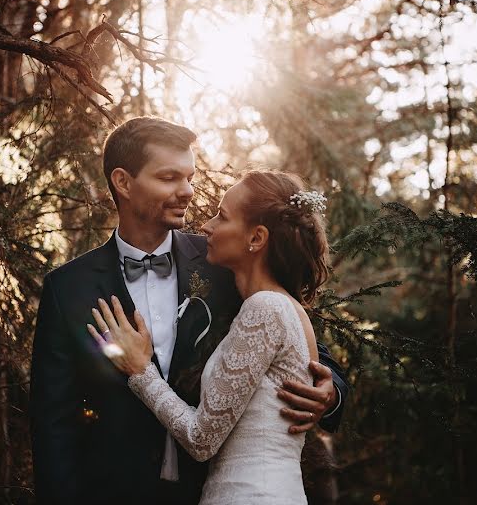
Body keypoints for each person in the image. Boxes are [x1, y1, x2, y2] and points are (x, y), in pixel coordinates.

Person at [30, 117, 348, 504]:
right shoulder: (69, 289)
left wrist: (330, 395)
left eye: (189, 177)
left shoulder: (225, 264)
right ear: (123, 182)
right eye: (169, 178)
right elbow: (54, 426)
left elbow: (306, 350)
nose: (187, 191)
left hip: (211, 489)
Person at [90, 169, 333, 504]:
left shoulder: (265, 308)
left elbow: (201, 439)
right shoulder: (284, 308)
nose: (207, 227)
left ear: (257, 238)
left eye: (222, 216)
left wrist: (140, 371)